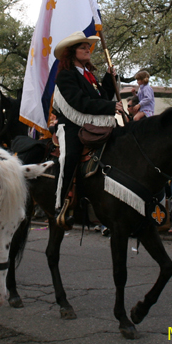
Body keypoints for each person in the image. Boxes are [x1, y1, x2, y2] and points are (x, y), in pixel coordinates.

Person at [52, 31, 122, 228]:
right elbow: (79, 102)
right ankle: (62, 203)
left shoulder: (90, 75)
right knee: (70, 156)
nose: (87, 50)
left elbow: (103, 96)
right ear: (72, 52)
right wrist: (110, 108)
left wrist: (109, 78)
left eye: (88, 47)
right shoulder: (66, 76)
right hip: (71, 124)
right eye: (82, 47)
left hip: (92, 123)